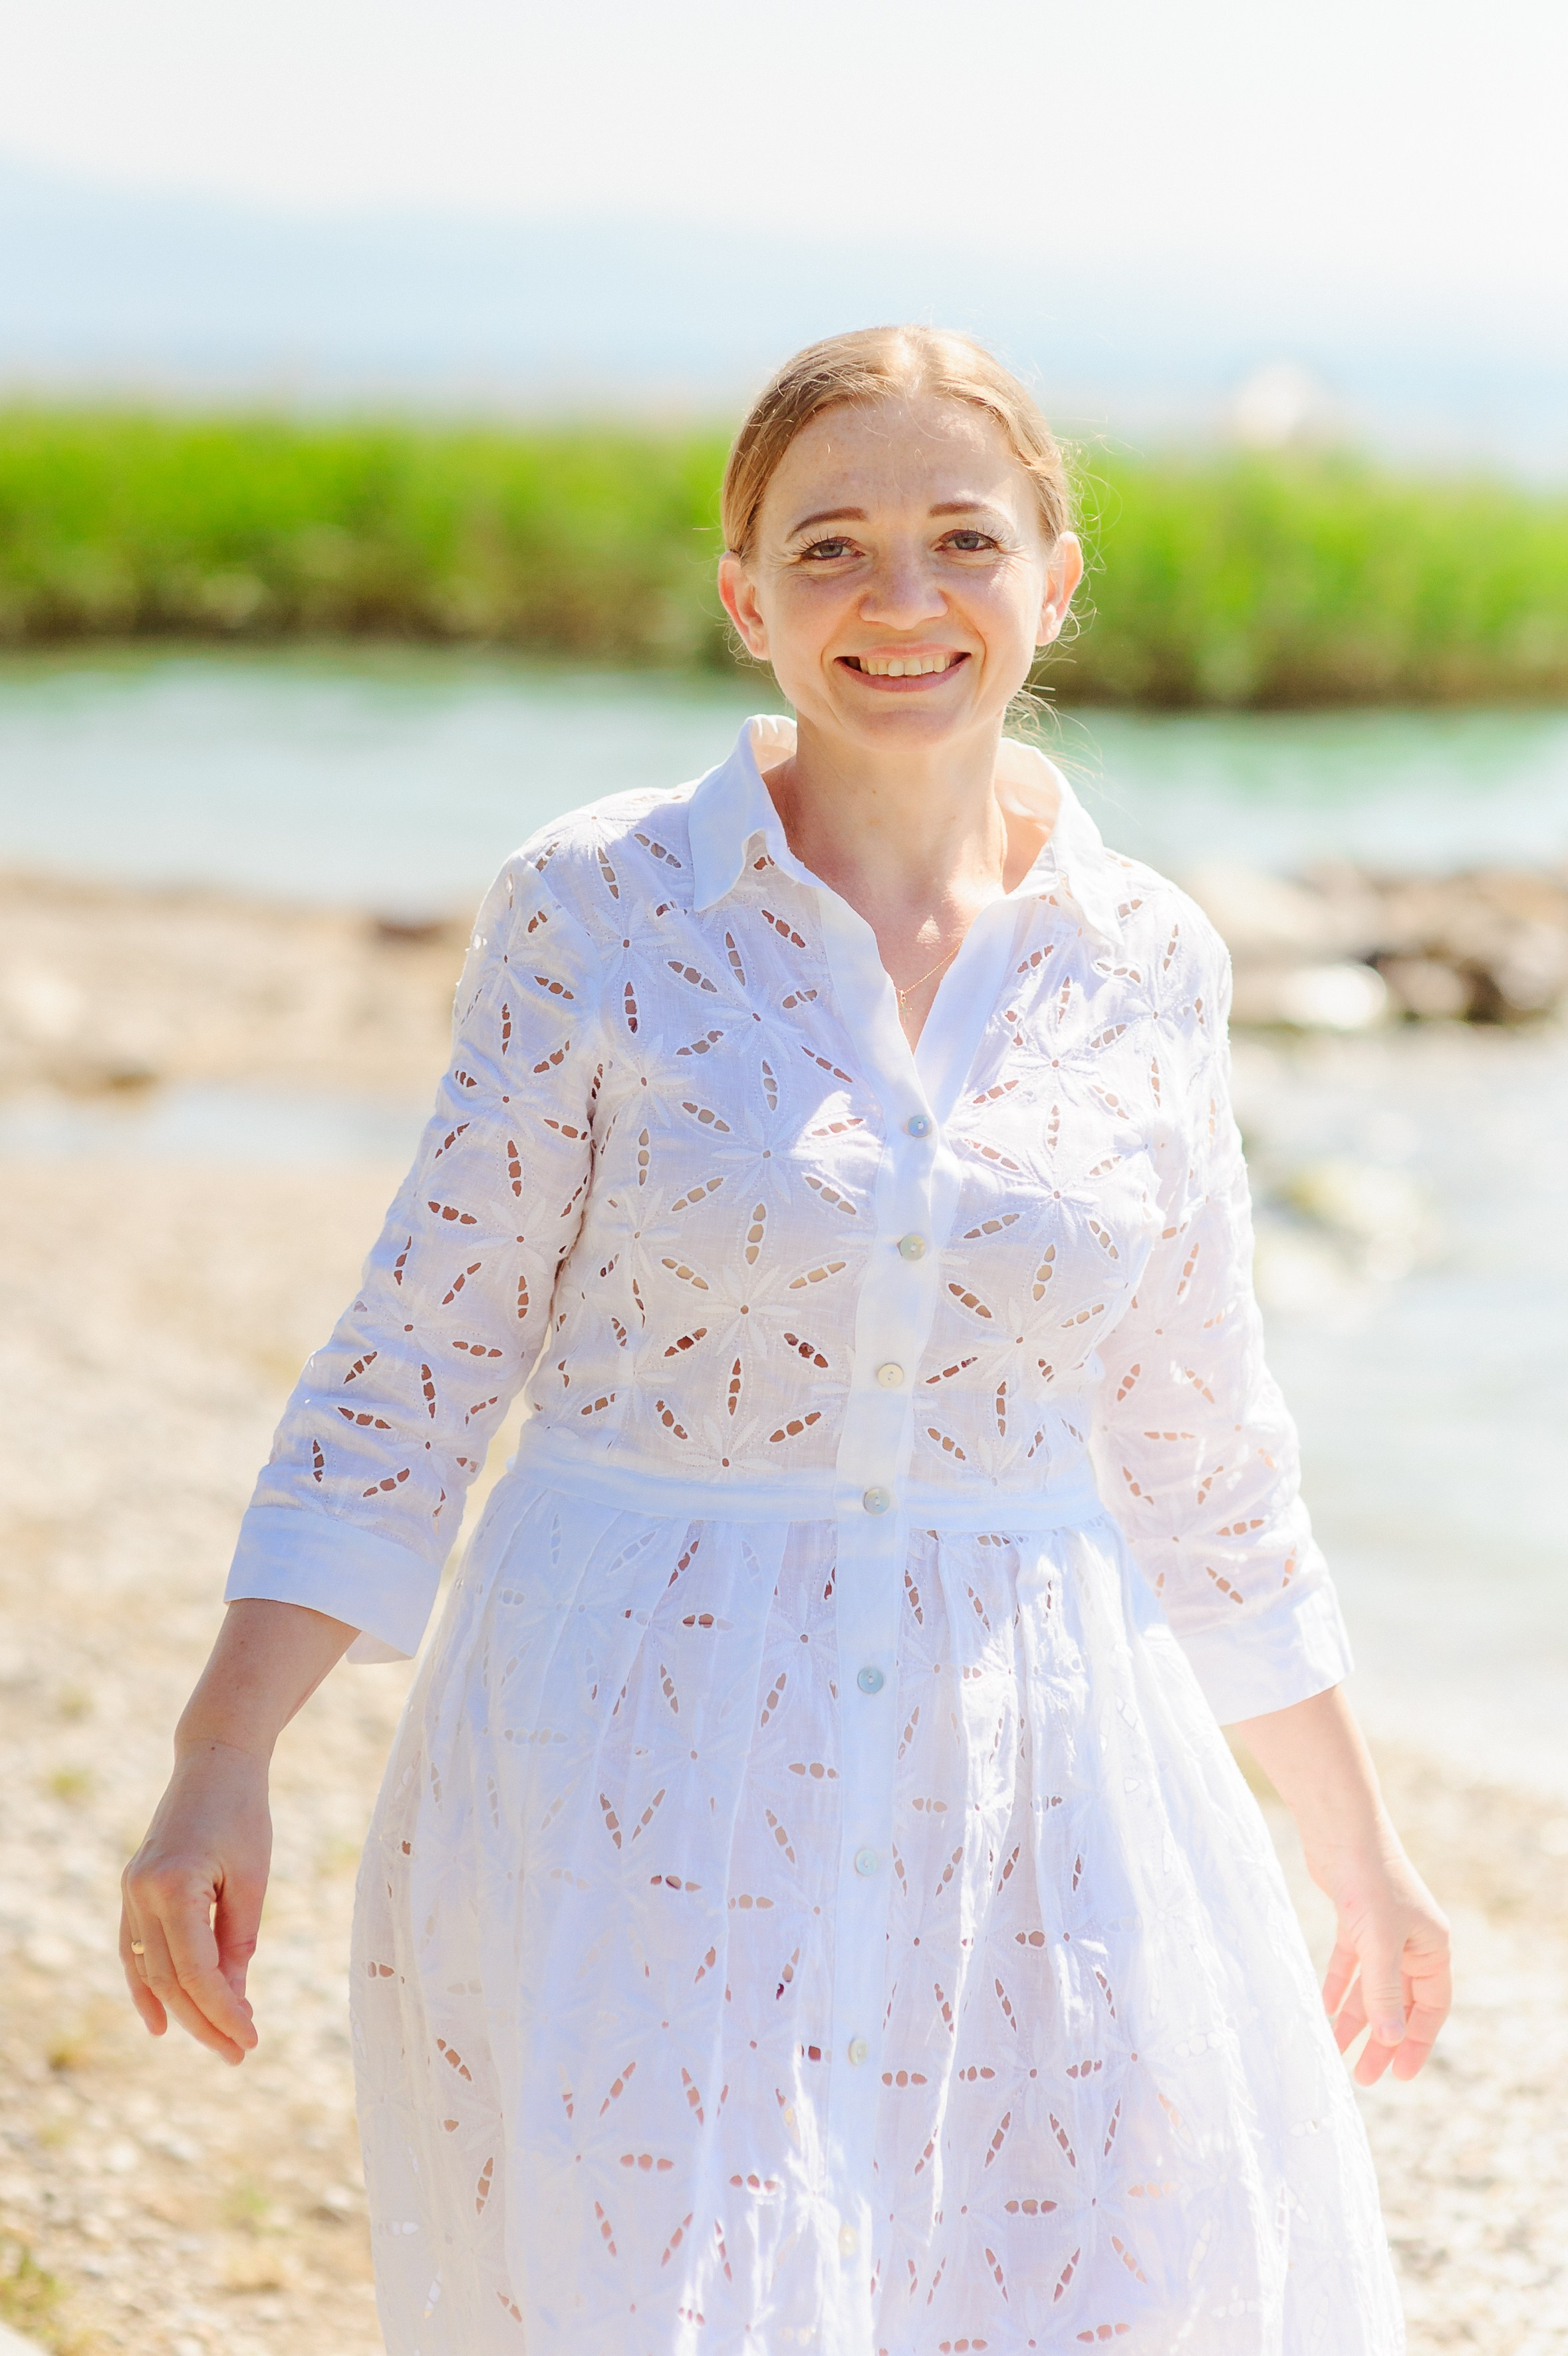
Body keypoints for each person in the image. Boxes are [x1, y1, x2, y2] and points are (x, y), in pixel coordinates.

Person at [121, 325, 1449, 2355]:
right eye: (832, 547)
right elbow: (419, 1357)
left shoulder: (1152, 957)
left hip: (1040, 1775)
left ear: (1055, 579)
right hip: (631, 1749)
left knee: (1070, 2291)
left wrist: (1362, 1855)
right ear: (746, 600)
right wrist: (223, 1756)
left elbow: (1205, 1444)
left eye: (962, 539)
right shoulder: (598, 906)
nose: (902, 598)